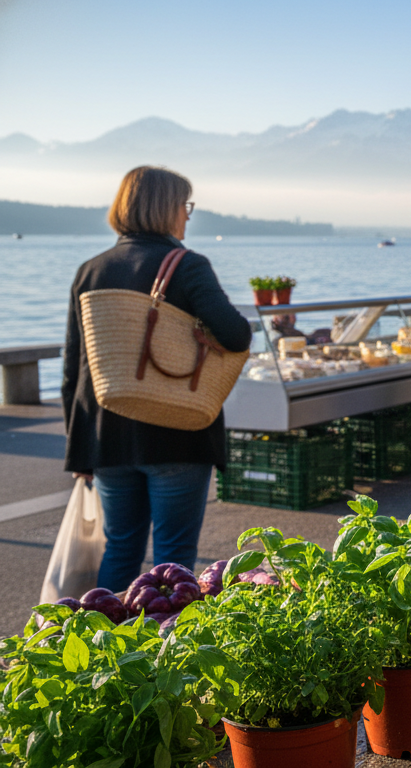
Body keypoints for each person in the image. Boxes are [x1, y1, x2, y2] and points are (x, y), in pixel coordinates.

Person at [63, 166, 252, 593]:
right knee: (172, 561)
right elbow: (237, 335)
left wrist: (80, 451)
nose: (188, 216)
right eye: (185, 206)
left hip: (108, 435)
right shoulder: (187, 266)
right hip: (178, 431)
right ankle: (164, 654)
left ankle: (109, 646)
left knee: (121, 548)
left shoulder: (91, 270)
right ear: (167, 209)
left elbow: (75, 367)